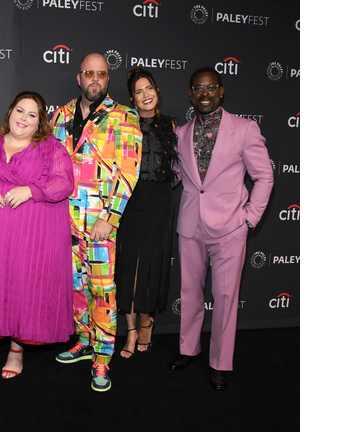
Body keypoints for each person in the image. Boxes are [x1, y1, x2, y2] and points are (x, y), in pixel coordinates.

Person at [0, 91, 75, 380]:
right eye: (20, 111)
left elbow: (64, 182)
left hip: (28, 236)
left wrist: (31, 190)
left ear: (40, 122)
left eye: (32, 115)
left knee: (21, 286)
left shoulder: (51, 148)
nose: (24, 118)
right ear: (10, 112)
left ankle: (16, 352)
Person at [168, 67, 273, 391]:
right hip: (190, 225)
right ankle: (189, 350)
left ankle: (219, 363)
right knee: (190, 293)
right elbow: (175, 177)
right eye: (198, 89)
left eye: (211, 88)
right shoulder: (181, 133)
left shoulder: (244, 129)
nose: (204, 94)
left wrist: (249, 218)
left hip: (230, 227)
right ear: (190, 94)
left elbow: (264, 176)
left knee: (226, 297)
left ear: (221, 91)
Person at [51, 53, 142, 392]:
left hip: (101, 223)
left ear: (108, 79)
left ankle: (103, 359)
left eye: (101, 74)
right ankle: (84, 340)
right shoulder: (60, 115)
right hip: (64, 222)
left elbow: (129, 171)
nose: (94, 79)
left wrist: (111, 216)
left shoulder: (124, 117)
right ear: (79, 77)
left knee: (102, 291)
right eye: (88, 72)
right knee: (76, 288)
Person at [115, 68, 180, 359]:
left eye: (149, 88)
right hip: (130, 200)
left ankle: (146, 322)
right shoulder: (124, 125)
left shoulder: (172, 125)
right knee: (129, 267)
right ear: (132, 98)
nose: (146, 95)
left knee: (151, 267)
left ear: (157, 91)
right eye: (139, 91)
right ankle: (131, 330)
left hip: (160, 202)